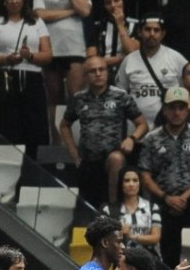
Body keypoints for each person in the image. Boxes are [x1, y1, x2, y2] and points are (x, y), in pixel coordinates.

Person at [139, 87, 190, 267]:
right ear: (165, 110)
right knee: (169, 256)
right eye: (172, 108)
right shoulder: (151, 138)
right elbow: (145, 175)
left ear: (187, 111)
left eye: (181, 108)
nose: (177, 112)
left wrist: (183, 197)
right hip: (162, 198)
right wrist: (166, 198)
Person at [0, 0, 53, 160]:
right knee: (8, 133)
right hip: (6, 80)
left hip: (32, 81)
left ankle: (33, 179)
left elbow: (48, 55)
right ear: (3, 1)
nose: (14, 0)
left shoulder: (36, 22)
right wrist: (6, 58)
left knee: (36, 132)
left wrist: (31, 56)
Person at [59, 55, 147, 206]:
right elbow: (64, 125)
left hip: (112, 158)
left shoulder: (120, 96)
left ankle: (113, 208)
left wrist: (131, 139)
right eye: (93, 71)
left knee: (116, 158)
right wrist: (74, 154)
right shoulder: (78, 98)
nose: (98, 74)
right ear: (85, 76)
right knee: (87, 209)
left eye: (102, 69)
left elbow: (143, 124)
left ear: (107, 72)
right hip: (87, 160)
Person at [35, 0, 92, 141]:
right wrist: (71, 11)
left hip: (75, 47)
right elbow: (39, 14)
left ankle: (79, 143)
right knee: (54, 99)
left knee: (76, 97)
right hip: (50, 46)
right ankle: (56, 143)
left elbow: (85, 10)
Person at [115, 15, 189, 127]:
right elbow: (120, 94)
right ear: (139, 32)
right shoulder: (129, 60)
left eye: (156, 30)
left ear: (163, 34)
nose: (152, 34)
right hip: (137, 129)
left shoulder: (176, 58)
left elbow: (189, 90)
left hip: (169, 128)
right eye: (147, 29)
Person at [87, 0, 139, 81]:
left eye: (116, 0)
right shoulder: (97, 26)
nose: (113, 5)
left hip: (130, 73)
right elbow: (92, 60)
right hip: (103, 73)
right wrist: (120, 58)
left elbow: (132, 51)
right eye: (108, 2)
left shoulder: (135, 24)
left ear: (123, 1)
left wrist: (120, 24)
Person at [113, 166, 162, 260]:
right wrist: (120, 234)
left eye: (135, 180)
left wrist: (131, 236)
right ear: (121, 184)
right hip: (122, 260)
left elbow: (156, 237)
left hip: (150, 259)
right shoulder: (111, 209)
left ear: (140, 184)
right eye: (127, 181)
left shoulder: (152, 208)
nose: (131, 184)